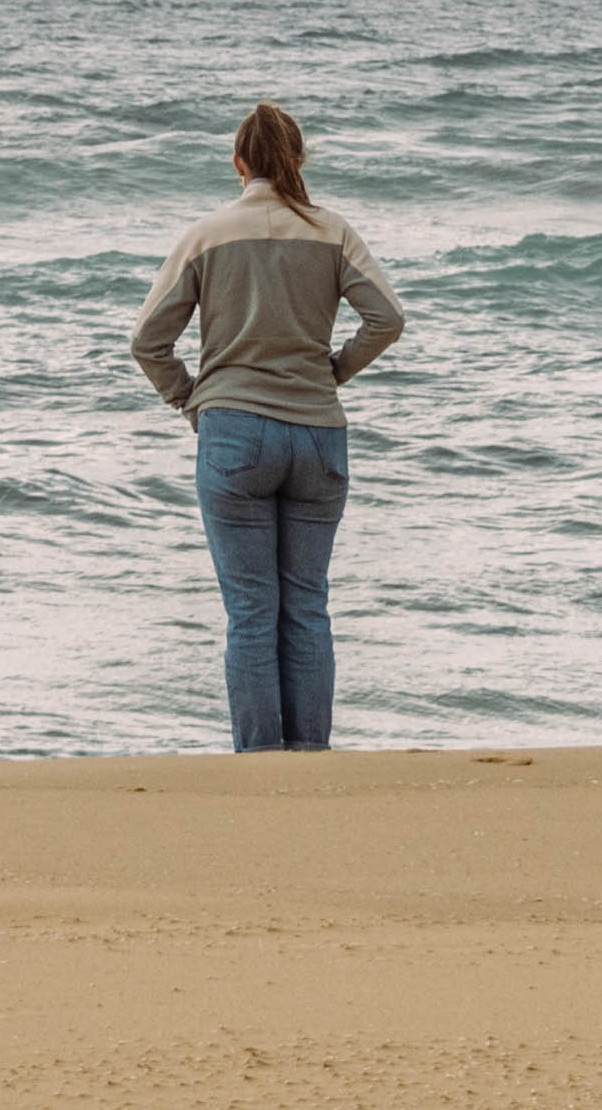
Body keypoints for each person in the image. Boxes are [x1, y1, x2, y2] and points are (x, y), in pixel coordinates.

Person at [128, 103, 406, 752]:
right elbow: (387, 319)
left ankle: (258, 764)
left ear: (238, 163)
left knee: (251, 612)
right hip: (317, 435)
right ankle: (311, 758)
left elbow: (147, 341)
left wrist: (191, 400)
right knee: (306, 605)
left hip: (233, 433)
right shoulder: (334, 232)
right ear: (299, 159)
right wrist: (333, 372)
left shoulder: (207, 234)